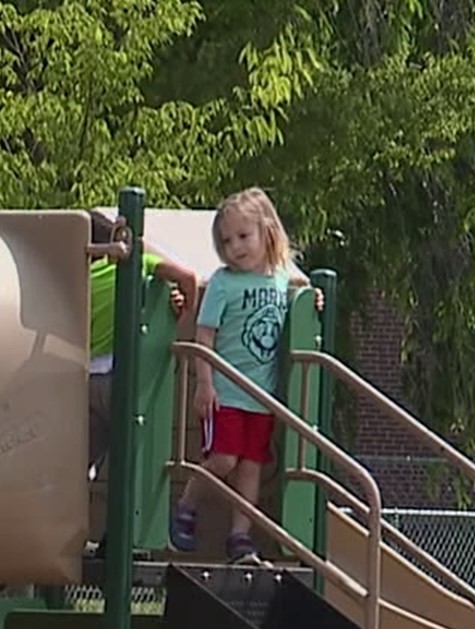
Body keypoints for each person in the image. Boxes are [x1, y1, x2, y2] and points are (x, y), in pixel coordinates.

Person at [168, 187, 311, 563]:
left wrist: (314, 301)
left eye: (243, 237)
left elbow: (301, 297)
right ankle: (186, 506)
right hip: (226, 393)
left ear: (267, 231)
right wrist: (205, 383)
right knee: (224, 459)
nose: (235, 247)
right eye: (226, 241)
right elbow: (204, 334)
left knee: (251, 467)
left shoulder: (281, 281)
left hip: (260, 396)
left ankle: (239, 537)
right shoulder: (223, 282)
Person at [86, 210, 199, 557]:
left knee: (80, 464)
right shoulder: (135, 263)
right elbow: (189, 277)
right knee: (131, 461)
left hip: (85, 381)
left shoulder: (79, 277)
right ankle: (118, 538)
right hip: (124, 378)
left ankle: (69, 537)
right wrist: (182, 316)